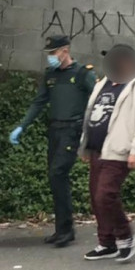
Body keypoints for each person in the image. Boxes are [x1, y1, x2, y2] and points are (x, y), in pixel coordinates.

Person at [9, 35, 96, 247]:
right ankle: (62, 229)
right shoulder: (51, 75)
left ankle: (66, 231)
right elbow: (39, 103)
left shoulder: (83, 74)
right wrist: (22, 125)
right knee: (55, 179)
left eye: (53, 52)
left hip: (72, 130)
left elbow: (98, 101)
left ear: (65, 51)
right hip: (55, 130)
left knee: (59, 173)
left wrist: (94, 134)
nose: (50, 57)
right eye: (49, 53)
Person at [78, 44, 135, 262]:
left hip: (119, 150)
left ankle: (125, 236)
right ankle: (106, 242)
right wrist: (85, 145)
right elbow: (91, 114)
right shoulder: (104, 83)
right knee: (96, 198)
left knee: (105, 195)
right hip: (98, 149)